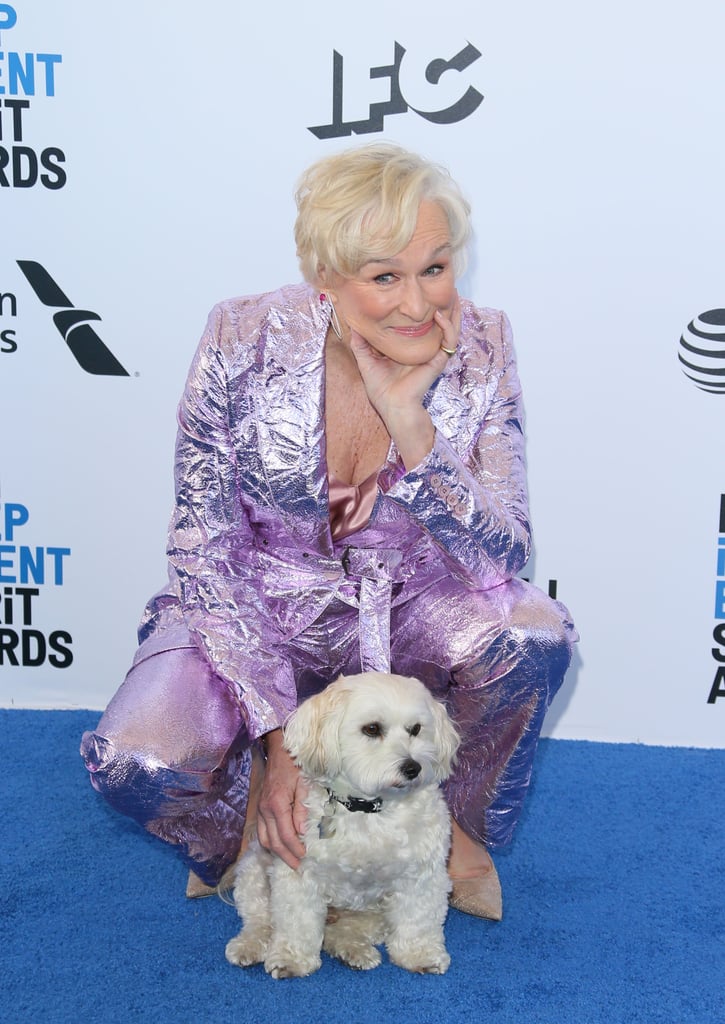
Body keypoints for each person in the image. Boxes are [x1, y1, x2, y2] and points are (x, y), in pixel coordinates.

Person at [81, 142, 576, 921]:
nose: (419, 304)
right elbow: (205, 548)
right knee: (137, 763)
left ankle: (443, 827)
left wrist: (411, 426)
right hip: (259, 604)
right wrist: (281, 740)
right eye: (384, 277)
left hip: (409, 603)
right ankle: (241, 815)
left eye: (435, 268)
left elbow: (501, 558)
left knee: (532, 636)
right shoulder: (240, 337)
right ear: (326, 278)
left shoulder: (482, 343)